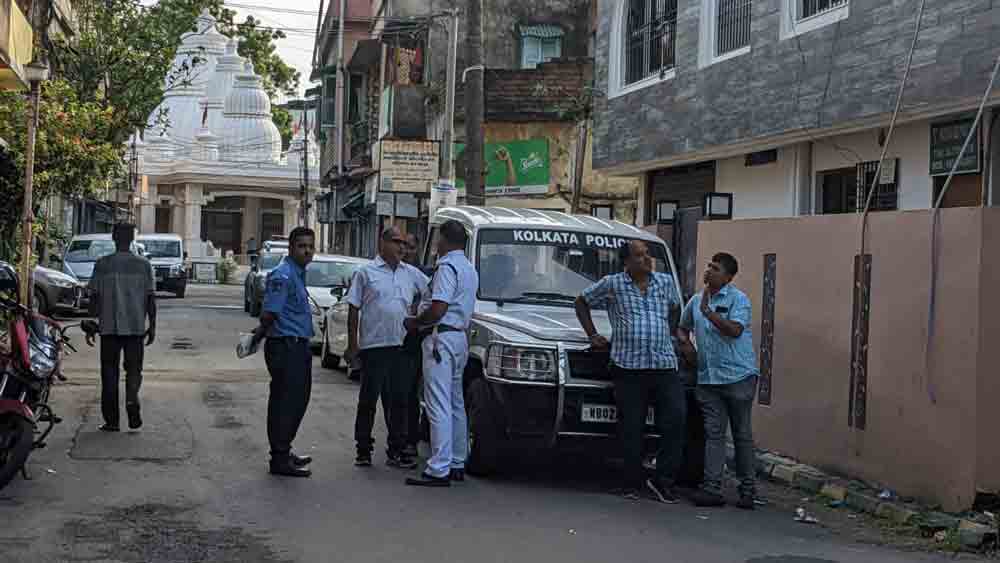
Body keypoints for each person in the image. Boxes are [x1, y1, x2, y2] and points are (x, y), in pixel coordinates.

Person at [574, 240, 685, 503]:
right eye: (639, 255)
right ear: (626, 262)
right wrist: (593, 335)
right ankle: (630, 482)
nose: (646, 259)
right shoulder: (613, 283)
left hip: (664, 364)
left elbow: (675, 309)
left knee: (676, 419)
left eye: (647, 254)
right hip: (629, 366)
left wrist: (669, 334)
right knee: (631, 426)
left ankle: (663, 481)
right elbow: (582, 302)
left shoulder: (665, 282)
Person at [678, 253, 759, 509]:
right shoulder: (695, 300)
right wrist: (686, 345)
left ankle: (748, 490)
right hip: (708, 378)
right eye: (708, 266)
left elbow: (735, 330)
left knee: (741, 434)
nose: (708, 271)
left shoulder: (739, 300)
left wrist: (709, 313)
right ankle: (712, 488)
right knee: (714, 435)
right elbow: (682, 327)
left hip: (738, 376)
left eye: (715, 268)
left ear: (728, 277)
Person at [345, 226, 428, 469]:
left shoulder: (411, 274)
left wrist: (420, 313)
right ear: (382, 242)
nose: (402, 247)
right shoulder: (365, 273)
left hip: (401, 346)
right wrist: (353, 345)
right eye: (396, 242)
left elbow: (432, 292)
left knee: (400, 400)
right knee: (369, 400)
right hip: (375, 346)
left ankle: (397, 448)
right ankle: (363, 449)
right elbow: (353, 309)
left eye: (404, 243)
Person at [404, 220, 478, 487]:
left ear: (445, 240)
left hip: (441, 337)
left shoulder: (447, 267)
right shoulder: (469, 268)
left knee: (437, 402)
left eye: (438, 239)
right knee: (455, 402)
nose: (436, 245)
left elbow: (438, 308)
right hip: (459, 337)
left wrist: (415, 322)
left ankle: (439, 467)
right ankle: (457, 460)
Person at [252, 227, 316, 477]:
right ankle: (278, 458)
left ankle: (284, 449)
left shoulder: (298, 273)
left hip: (298, 345)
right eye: (301, 246)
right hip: (285, 347)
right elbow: (270, 313)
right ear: (291, 248)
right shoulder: (283, 275)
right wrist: (257, 336)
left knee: (297, 401)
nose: (307, 250)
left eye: (310, 246)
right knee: (285, 403)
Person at [83, 223, 156, 432]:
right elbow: (151, 298)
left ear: (114, 238)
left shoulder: (103, 264)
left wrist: (91, 325)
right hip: (135, 329)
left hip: (108, 330)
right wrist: (152, 326)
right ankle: (132, 398)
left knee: (109, 374)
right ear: (132, 238)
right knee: (134, 370)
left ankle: (112, 421)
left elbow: (94, 299)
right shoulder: (143, 265)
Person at [402, 233, 423, 457]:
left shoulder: (423, 276)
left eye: (410, 246)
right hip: (391, 341)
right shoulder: (391, 273)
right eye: (402, 246)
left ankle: (410, 440)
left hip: (414, 342)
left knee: (409, 394)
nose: (406, 251)